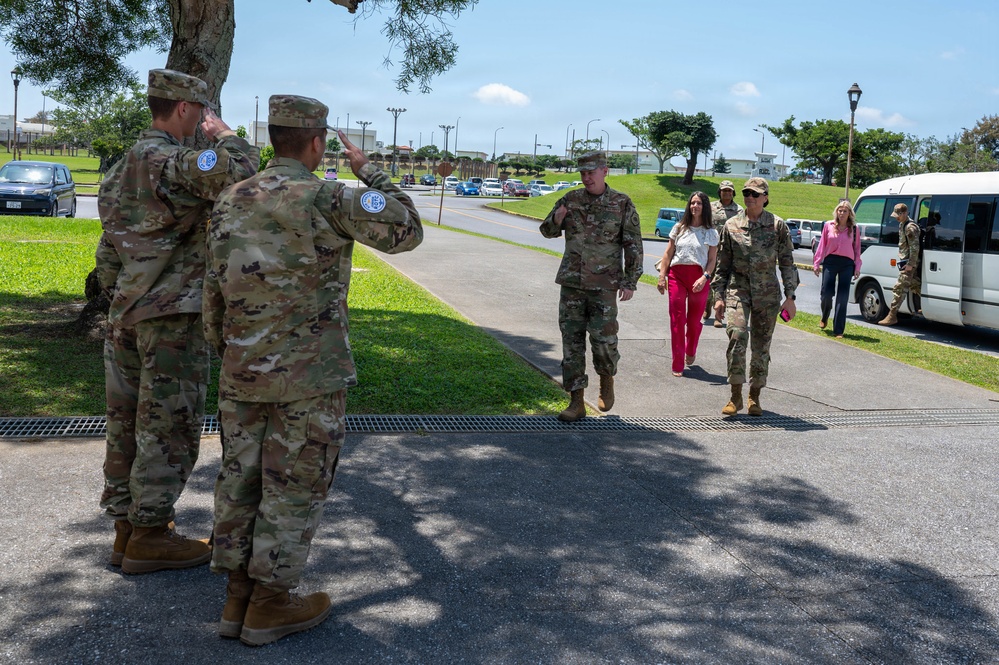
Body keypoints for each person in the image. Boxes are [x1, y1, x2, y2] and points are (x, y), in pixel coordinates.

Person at [204, 95, 423, 646]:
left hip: (242, 368)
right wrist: (369, 170)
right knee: (294, 483)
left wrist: (230, 351)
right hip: (309, 377)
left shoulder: (231, 197)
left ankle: (237, 599)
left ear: (272, 138)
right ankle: (270, 604)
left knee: (240, 480)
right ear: (318, 142)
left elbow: (213, 290)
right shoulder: (329, 196)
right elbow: (407, 229)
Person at [95, 69, 260, 574]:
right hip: (172, 315)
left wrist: (119, 294)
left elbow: (108, 251)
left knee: (125, 422)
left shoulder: (122, 164)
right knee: (169, 426)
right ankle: (149, 534)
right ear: (187, 109)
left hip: (125, 312)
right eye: (202, 110)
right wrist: (228, 135)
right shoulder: (175, 161)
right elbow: (244, 169)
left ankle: (126, 528)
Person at [540, 151, 643, 422]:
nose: (586, 178)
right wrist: (557, 218)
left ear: (604, 171)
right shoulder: (570, 200)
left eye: (591, 172)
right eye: (583, 173)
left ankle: (606, 381)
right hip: (572, 284)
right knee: (571, 344)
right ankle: (576, 402)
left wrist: (630, 280)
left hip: (604, 287)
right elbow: (547, 231)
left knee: (604, 342)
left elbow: (633, 244)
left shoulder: (621, 203)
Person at [711, 177, 797, 416]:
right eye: (747, 193)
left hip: (767, 294)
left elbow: (788, 263)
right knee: (737, 336)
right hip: (738, 291)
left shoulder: (778, 226)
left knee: (761, 346)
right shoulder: (731, 225)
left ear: (765, 198)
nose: (749, 197)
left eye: (755, 194)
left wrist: (790, 296)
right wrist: (718, 297)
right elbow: (722, 265)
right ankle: (735, 395)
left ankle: (754, 396)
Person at [656, 191, 718, 377]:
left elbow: (712, 260)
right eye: (692, 203)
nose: (695, 206)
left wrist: (705, 277)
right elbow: (668, 254)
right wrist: (662, 276)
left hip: (699, 278)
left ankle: (691, 349)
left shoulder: (711, 232)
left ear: (704, 207)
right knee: (677, 319)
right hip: (677, 275)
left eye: (699, 203)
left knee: (692, 322)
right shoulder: (679, 228)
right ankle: (677, 362)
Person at [813, 200, 862, 338]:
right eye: (840, 210)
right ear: (836, 212)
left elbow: (857, 250)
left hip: (847, 263)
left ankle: (839, 329)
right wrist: (817, 263)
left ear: (849, 213)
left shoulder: (854, 229)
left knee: (843, 297)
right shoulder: (828, 225)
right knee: (826, 295)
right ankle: (824, 316)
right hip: (830, 261)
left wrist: (857, 266)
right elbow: (822, 245)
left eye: (845, 211)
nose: (842, 213)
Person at [704, 180, 743, 328]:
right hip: (710, 251)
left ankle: (718, 317)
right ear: (719, 192)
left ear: (733, 193)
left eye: (729, 190)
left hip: (728, 253)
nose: (727, 193)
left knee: (723, 285)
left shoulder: (739, 210)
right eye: (724, 190)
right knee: (707, 281)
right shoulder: (711, 207)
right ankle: (706, 305)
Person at [879, 203, 920, 326]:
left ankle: (892, 315)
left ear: (905, 213)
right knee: (915, 285)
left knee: (899, 288)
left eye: (898, 215)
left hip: (909, 264)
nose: (896, 218)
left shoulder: (910, 227)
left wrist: (910, 264)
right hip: (905, 262)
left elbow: (914, 248)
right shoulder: (902, 224)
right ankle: (925, 305)